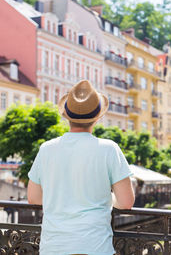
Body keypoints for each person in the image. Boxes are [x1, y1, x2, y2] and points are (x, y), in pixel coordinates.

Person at [27, 80, 135, 255]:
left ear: (67, 116)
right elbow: (126, 202)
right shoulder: (109, 149)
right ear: (97, 118)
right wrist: (105, 199)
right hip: (94, 246)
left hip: (53, 247)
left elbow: (33, 198)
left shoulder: (46, 148)